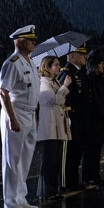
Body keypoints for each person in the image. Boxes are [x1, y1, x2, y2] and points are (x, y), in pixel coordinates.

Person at [0, 25, 40, 208]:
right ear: (19, 41)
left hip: (30, 113)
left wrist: (35, 115)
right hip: (16, 112)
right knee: (12, 159)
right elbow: (3, 92)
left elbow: (33, 92)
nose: (33, 42)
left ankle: (21, 198)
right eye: (30, 39)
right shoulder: (12, 62)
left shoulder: (30, 62)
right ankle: (10, 202)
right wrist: (11, 118)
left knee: (25, 159)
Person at [35, 56, 70, 200]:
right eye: (55, 65)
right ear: (47, 67)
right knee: (49, 160)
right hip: (49, 123)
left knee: (55, 160)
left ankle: (53, 190)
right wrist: (65, 87)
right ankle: (45, 191)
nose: (59, 67)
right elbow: (53, 100)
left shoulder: (53, 81)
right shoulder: (44, 82)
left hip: (57, 123)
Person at [61, 44, 90, 190]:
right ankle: (67, 182)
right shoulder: (67, 72)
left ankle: (73, 181)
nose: (85, 56)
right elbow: (64, 96)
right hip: (73, 118)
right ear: (72, 56)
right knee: (71, 153)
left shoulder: (80, 72)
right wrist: (68, 116)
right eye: (81, 54)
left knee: (78, 151)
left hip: (81, 118)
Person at [83, 51, 104, 184]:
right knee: (90, 149)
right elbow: (94, 100)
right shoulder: (90, 80)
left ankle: (95, 175)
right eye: (100, 64)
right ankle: (88, 176)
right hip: (95, 119)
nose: (103, 67)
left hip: (103, 118)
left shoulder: (103, 79)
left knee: (97, 149)